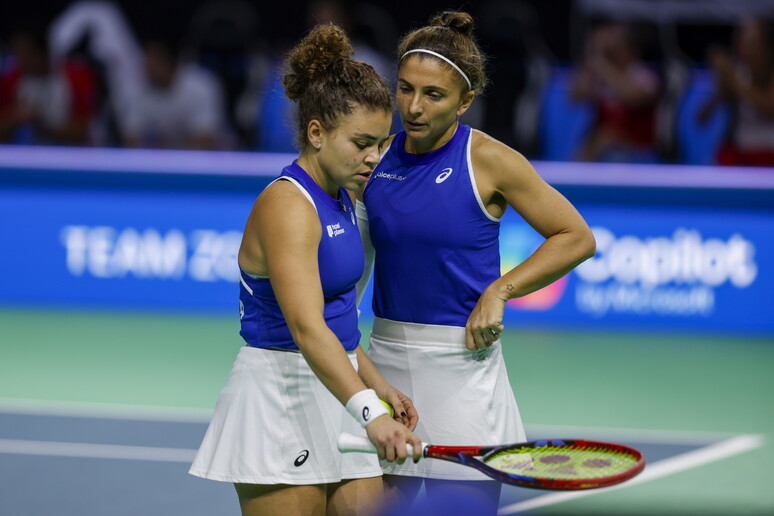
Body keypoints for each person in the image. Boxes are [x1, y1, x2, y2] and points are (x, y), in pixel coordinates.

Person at [358, 11, 596, 514]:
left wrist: (500, 290)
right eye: (404, 89)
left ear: (465, 101)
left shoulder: (488, 160)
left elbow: (575, 236)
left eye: (434, 95)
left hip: (462, 370)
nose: (414, 107)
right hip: (384, 366)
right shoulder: (374, 157)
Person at [189, 24, 422, 516]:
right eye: (361, 142)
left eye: (381, 143)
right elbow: (306, 326)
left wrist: (378, 386)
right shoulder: (288, 205)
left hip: (338, 385)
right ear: (316, 132)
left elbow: (340, 322)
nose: (374, 157)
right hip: (281, 396)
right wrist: (368, 410)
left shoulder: (341, 200)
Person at [570, 21, 661, 162]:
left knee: (607, 137)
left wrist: (601, 64)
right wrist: (594, 52)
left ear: (630, 48)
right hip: (605, 152)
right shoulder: (603, 78)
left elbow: (631, 96)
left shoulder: (644, 75)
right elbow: (575, 95)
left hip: (638, 154)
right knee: (596, 139)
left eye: (618, 47)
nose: (613, 53)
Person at [121, 35, 232, 149]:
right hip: (165, 159)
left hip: (216, 158)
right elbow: (131, 137)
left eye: (151, 65)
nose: (145, 70)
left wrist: (168, 152)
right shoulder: (140, 88)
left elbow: (206, 138)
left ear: (167, 64)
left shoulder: (201, 84)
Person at [0, 25, 97, 145]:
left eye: (24, 55)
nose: (18, 61)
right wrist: (14, 118)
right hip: (26, 154)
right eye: (16, 54)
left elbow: (81, 133)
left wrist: (40, 121)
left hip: (74, 155)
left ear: (41, 53)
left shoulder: (76, 76)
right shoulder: (11, 78)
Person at [698, 17, 774, 167]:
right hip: (740, 152)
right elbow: (702, 118)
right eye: (742, 41)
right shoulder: (738, 72)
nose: (744, 48)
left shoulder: (743, 76)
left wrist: (734, 80)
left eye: (751, 42)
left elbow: (768, 107)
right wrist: (722, 84)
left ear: (766, 44)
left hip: (769, 151)